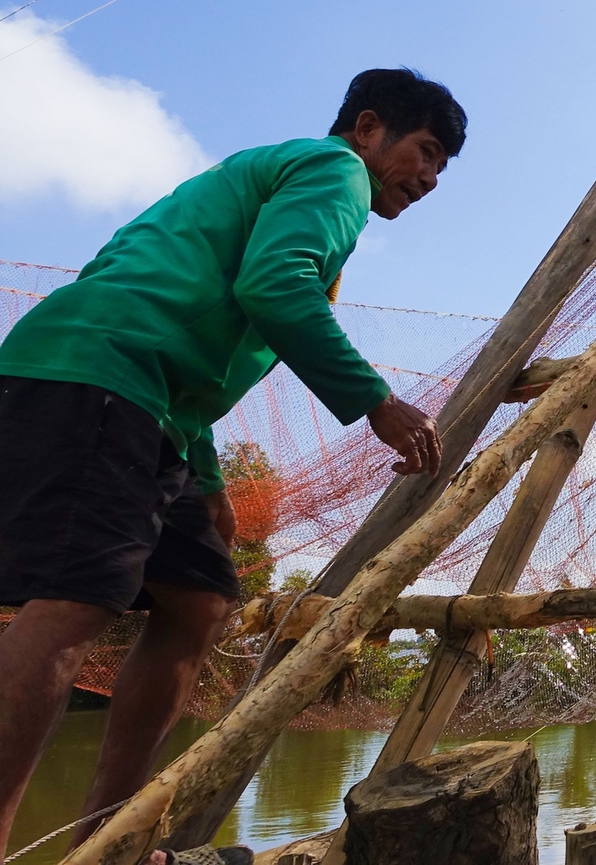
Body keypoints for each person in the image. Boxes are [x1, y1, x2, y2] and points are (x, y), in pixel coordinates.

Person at [0, 68, 462, 857]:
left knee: (200, 601)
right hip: (102, 373)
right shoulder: (334, 171)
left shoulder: (277, 179)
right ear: (368, 128)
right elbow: (274, 288)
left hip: (149, 398)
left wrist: (206, 480)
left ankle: (110, 837)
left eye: (441, 170)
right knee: (72, 603)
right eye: (423, 152)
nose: (426, 179)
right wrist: (375, 400)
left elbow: (199, 332)